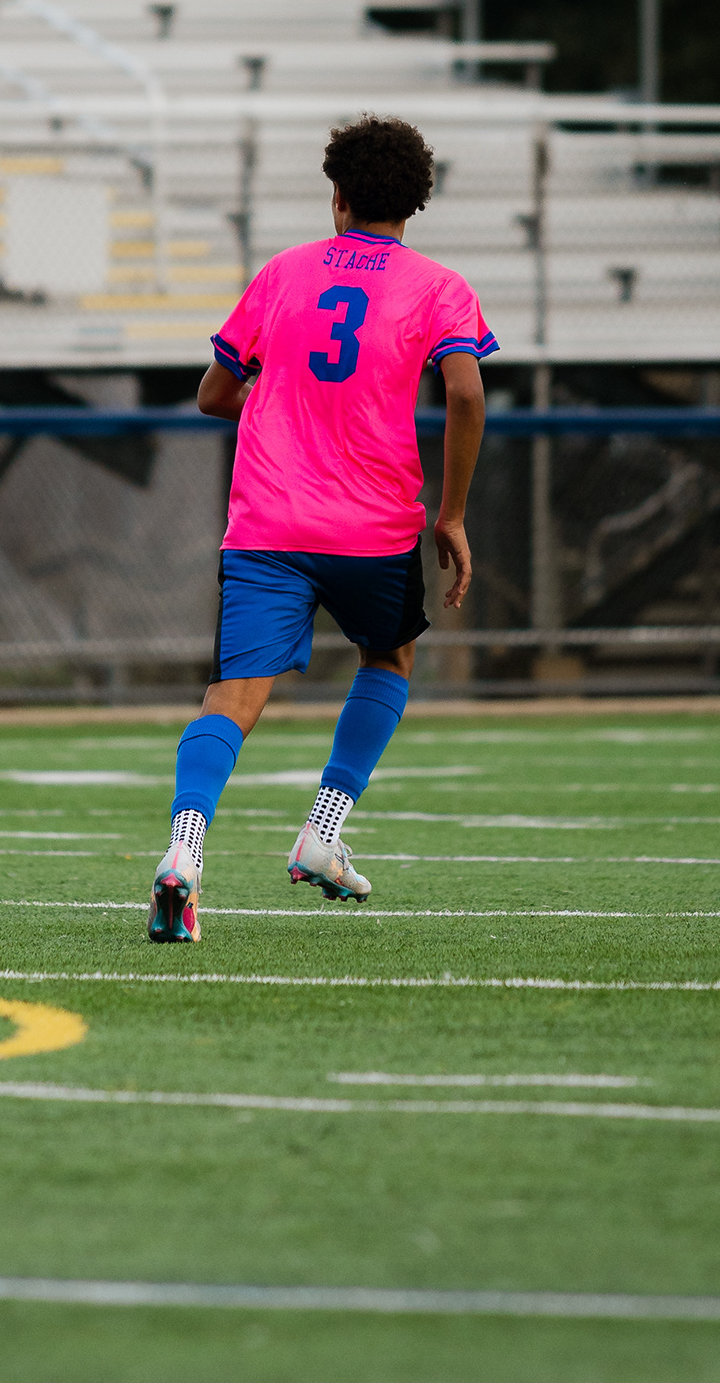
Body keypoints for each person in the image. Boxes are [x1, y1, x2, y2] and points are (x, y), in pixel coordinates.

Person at [149, 113, 493, 943]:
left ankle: (184, 852)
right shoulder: (441, 288)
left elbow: (213, 395)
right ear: (416, 203)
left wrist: (275, 390)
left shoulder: (283, 273)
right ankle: (322, 829)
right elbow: (466, 391)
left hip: (268, 523)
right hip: (373, 528)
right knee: (390, 657)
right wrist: (451, 514)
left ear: (336, 195)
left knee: (232, 697)